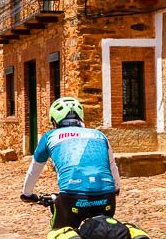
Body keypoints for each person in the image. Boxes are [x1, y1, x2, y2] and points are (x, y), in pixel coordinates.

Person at [20, 97, 120, 229]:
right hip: (107, 196)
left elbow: (34, 169)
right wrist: (116, 188)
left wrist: (27, 194)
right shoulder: (99, 135)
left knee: (60, 233)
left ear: (54, 121)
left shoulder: (50, 136)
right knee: (104, 236)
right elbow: (112, 166)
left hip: (72, 197)